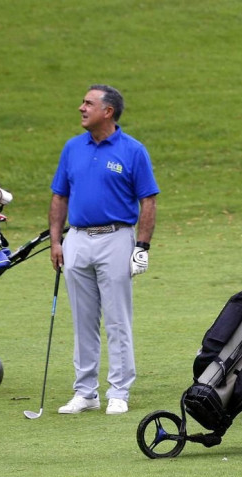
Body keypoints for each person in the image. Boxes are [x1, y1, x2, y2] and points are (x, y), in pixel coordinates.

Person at [49, 84, 159, 416]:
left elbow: (148, 200)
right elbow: (59, 197)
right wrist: (56, 241)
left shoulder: (132, 150)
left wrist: (142, 246)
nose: (81, 108)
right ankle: (85, 392)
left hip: (116, 237)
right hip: (78, 238)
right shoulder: (72, 148)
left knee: (116, 319)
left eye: (88, 103)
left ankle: (119, 390)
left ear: (107, 111)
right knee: (83, 320)